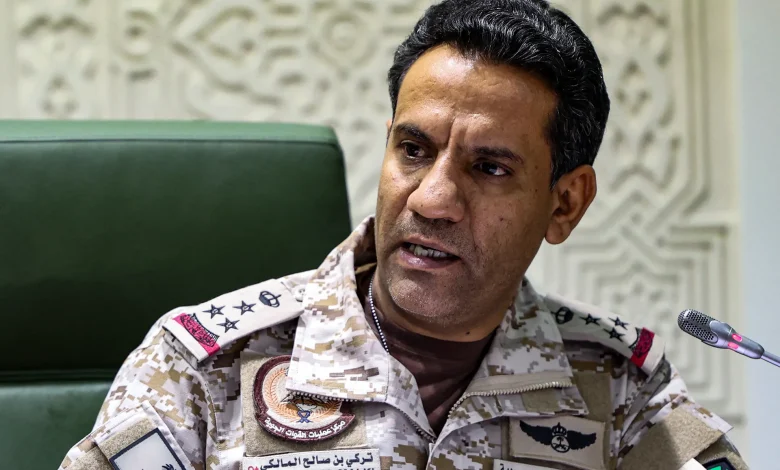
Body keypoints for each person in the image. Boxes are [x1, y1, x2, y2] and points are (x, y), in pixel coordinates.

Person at [58, 1, 747, 469]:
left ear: (564, 203)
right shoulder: (206, 367)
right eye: (414, 151)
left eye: (489, 168)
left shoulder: (620, 387)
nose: (433, 199)